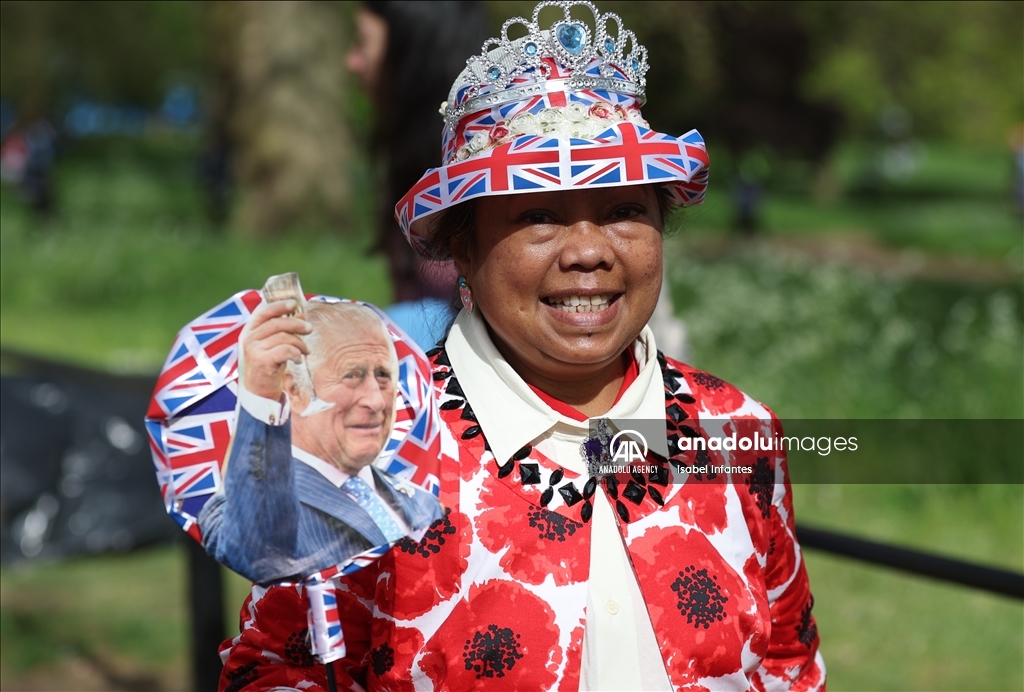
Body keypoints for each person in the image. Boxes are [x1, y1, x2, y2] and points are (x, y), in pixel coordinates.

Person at [218, 2, 825, 689]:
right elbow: (272, 669)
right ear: (462, 248)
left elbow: (790, 664)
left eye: (625, 210)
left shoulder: (738, 432)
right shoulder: (371, 453)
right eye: (539, 215)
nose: (589, 251)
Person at [198, 301, 443, 584]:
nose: (376, 401)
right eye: (352, 376)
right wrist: (260, 400)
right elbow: (252, 551)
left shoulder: (422, 503)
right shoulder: (259, 508)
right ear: (293, 389)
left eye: (383, 376)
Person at [347, 1, 490, 349]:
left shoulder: (477, 173)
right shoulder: (407, 154)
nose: (352, 62)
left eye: (362, 43)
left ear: (411, 55)